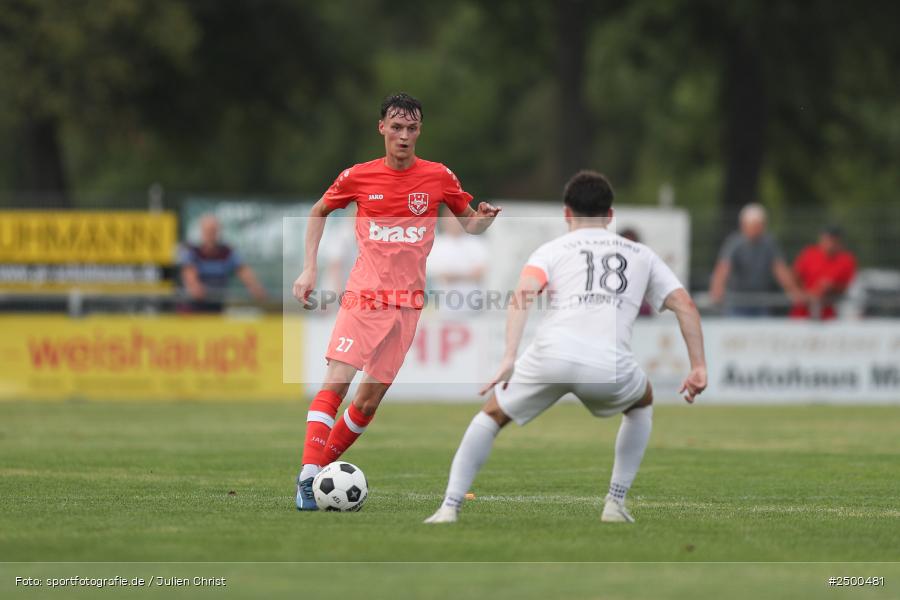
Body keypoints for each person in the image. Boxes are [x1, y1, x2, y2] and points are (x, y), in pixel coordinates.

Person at [424, 170, 707, 525]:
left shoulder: (552, 249)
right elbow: (686, 306)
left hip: (551, 355)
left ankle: (449, 507)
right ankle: (614, 503)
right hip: (610, 365)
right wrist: (698, 367)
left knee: (491, 416)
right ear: (611, 215)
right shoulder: (640, 254)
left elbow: (522, 295)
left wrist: (509, 357)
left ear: (566, 214)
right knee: (642, 402)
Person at [291, 93, 501, 511]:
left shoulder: (439, 177)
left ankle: (320, 476)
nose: (404, 136)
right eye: (396, 127)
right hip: (365, 295)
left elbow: (469, 225)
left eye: (412, 128)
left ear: (419, 131)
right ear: (382, 128)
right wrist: (309, 268)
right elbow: (318, 212)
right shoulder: (357, 176)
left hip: (408, 305)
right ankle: (308, 478)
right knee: (337, 381)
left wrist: (482, 220)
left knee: (367, 403)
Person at [709, 203, 804, 316]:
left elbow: (779, 269)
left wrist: (793, 291)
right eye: (753, 226)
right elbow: (723, 268)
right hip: (737, 301)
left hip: (760, 300)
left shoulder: (769, 243)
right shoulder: (734, 243)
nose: (757, 229)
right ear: (743, 225)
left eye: (759, 225)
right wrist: (717, 290)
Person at [180, 214, 268, 312]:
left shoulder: (227, 253)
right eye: (207, 231)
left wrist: (255, 287)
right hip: (193, 307)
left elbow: (244, 272)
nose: (210, 234)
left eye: (213, 231)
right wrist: (195, 286)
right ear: (202, 232)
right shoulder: (192, 252)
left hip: (217, 306)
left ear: (218, 232)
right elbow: (189, 274)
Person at [427, 208, 488, 313]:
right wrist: (467, 275)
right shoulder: (435, 244)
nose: (454, 221)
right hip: (442, 308)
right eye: (450, 218)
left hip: (472, 307)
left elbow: (480, 273)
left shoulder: (476, 243)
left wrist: (453, 276)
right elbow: (438, 276)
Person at [789, 226, 857, 320]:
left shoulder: (846, 260)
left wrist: (831, 287)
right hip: (802, 314)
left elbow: (845, 287)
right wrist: (799, 293)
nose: (829, 243)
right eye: (826, 239)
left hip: (828, 316)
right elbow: (794, 277)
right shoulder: (809, 254)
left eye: (832, 240)